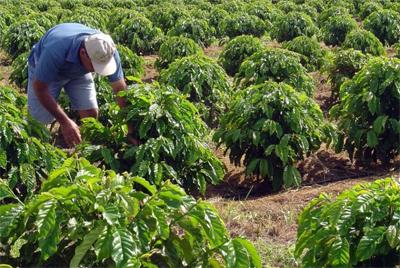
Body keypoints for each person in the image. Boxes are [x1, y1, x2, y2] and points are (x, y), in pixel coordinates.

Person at [27, 23, 137, 147]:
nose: (97, 71)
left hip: (79, 72)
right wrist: (64, 122)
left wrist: (130, 129)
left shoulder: (106, 51)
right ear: (83, 53)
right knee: (38, 124)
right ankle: (37, 154)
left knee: (90, 114)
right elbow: (40, 89)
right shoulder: (56, 49)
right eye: (95, 65)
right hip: (48, 73)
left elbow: (120, 90)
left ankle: (82, 148)